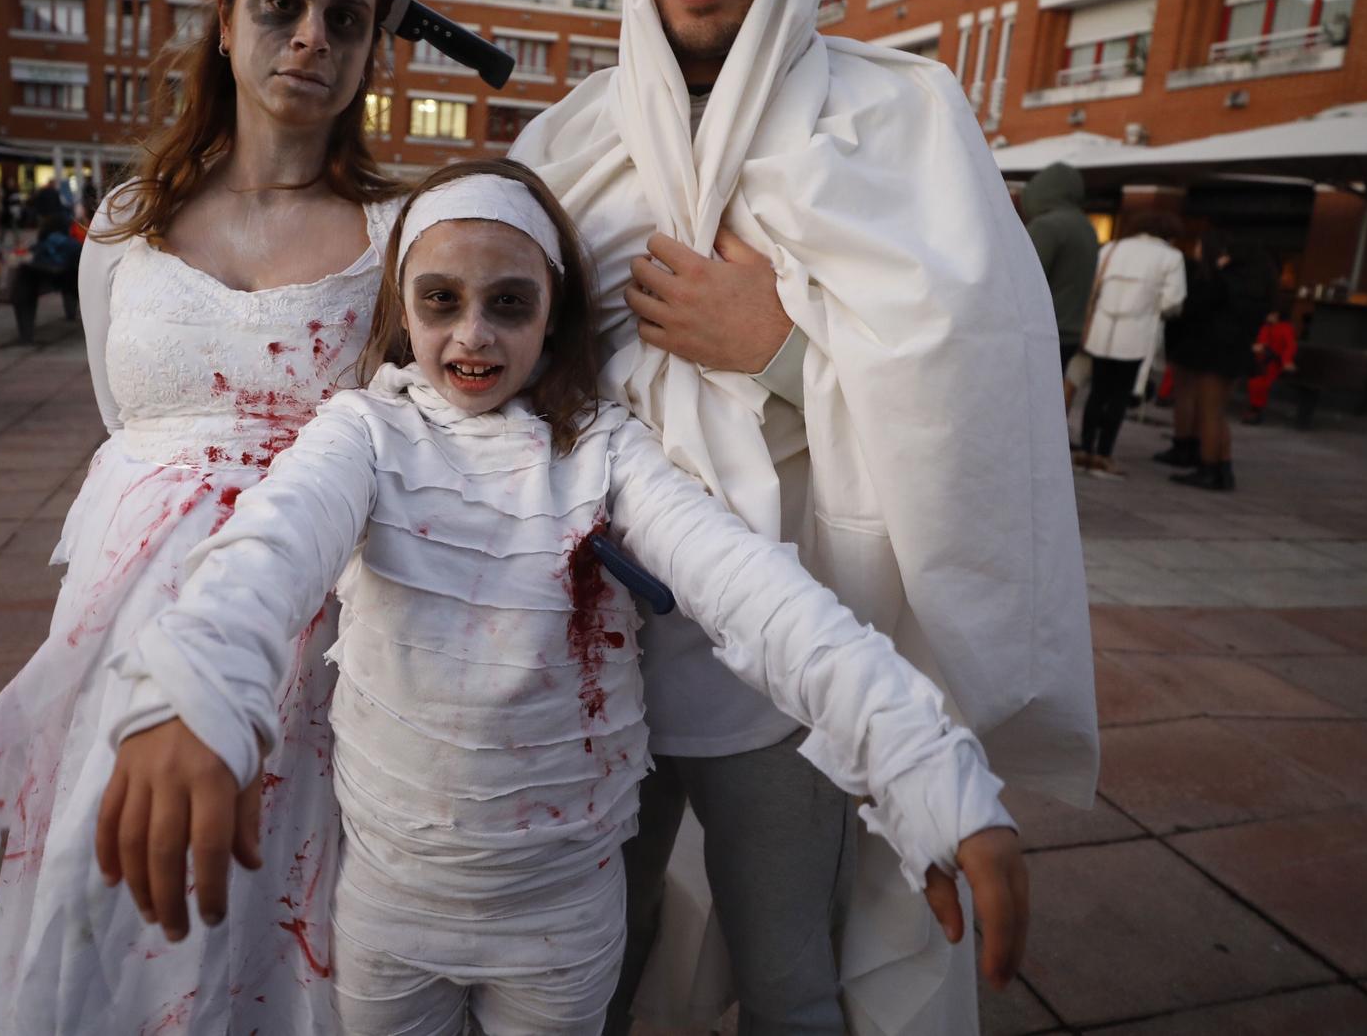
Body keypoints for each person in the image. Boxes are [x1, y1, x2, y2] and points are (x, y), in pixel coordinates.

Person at [97, 161, 1027, 1035]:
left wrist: (922, 766)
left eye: (510, 303)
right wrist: (197, 683)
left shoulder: (604, 452)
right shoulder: (364, 436)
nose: (472, 334)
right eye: (441, 300)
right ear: (401, 308)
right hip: (388, 911)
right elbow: (271, 548)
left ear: (554, 315)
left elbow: (765, 600)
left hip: (563, 923)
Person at [514, 0, 1095, 1036]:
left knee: (797, 976)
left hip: (790, 667)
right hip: (583, 674)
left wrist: (776, 347)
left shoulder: (905, 122)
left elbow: (979, 405)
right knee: (573, 973)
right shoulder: (563, 145)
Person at [0, 0, 406, 1034]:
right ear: (225, 21)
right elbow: (123, 417)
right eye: (282, 5)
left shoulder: (400, 233)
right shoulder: (130, 218)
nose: (311, 40)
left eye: (346, 19)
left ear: (372, 47)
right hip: (120, 630)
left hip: (311, 648)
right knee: (113, 917)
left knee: (276, 925)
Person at [1076, 214, 1187, 478]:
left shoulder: (1113, 248)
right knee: (1119, 396)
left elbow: (1093, 285)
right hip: (1136, 333)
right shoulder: (1171, 257)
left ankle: (1085, 450)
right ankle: (1104, 454)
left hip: (1102, 331)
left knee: (1097, 392)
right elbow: (1173, 301)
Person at [1167, 239, 1276, 491]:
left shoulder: (1224, 281)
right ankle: (1222, 468)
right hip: (1236, 352)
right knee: (1217, 412)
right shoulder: (1258, 285)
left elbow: (1195, 309)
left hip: (1214, 352)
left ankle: (1209, 467)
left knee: (1209, 413)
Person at [1022, 162, 1099, 389]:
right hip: (1069, 331)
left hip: (1039, 330)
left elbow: (1021, 280)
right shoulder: (1086, 226)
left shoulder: (1047, 226)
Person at [10, 213, 81, 345]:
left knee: (25, 280)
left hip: (40, 280)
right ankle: (70, 313)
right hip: (70, 281)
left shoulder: (43, 244)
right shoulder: (73, 245)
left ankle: (26, 334)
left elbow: (29, 255)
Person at [1243, 310, 1297, 425]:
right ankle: (1255, 409)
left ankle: (1256, 410)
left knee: (1260, 382)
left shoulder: (1285, 329)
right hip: (1262, 361)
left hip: (1274, 362)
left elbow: (1290, 347)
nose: (1268, 316)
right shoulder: (1266, 328)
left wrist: (1286, 361)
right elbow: (1261, 343)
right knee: (1255, 381)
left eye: (1271, 314)